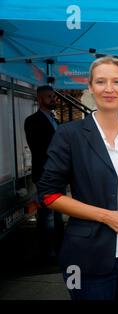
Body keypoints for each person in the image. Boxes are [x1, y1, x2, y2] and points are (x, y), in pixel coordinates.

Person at [37, 56, 118, 300]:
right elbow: (48, 194)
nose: (109, 88)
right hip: (88, 255)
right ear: (90, 87)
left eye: (116, 81)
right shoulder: (70, 134)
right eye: (101, 82)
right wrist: (107, 216)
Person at [24, 85, 64, 264]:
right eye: (49, 97)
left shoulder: (55, 120)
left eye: (54, 96)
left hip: (59, 175)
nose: (53, 99)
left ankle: (59, 249)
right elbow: (39, 149)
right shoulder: (32, 121)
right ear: (39, 99)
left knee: (58, 215)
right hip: (45, 175)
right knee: (47, 216)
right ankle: (47, 254)